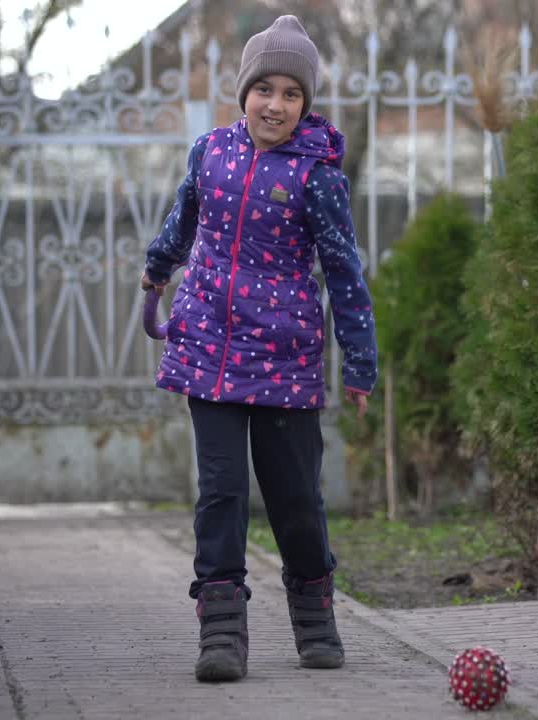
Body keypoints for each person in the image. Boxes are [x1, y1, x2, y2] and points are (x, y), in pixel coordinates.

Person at [139, 14, 377, 682]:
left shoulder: (317, 177)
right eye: (264, 89)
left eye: (291, 94)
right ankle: (221, 630)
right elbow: (184, 217)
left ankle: (315, 615)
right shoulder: (210, 152)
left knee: (294, 497)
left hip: (283, 357)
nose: (275, 104)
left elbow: (344, 272)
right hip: (206, 346)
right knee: (220, 492)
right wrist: (158, 267)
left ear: (305, 103)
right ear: (244, 92)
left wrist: (359, 360)